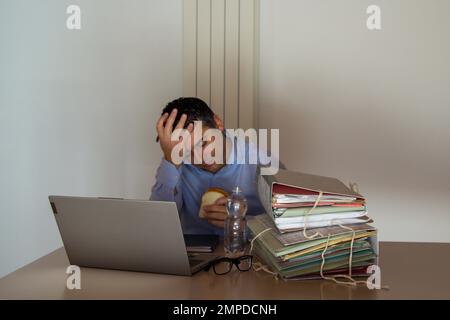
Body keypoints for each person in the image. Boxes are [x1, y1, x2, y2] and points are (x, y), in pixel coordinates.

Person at [150, 97, 265, 235]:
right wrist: (170, 161)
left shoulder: (262, 163)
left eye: (203, 143)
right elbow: (157, 227)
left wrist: (244, 225)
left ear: (217, 123)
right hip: (194, 254)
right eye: (188, 152)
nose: (201, 158)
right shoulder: (176, 163)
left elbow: (287, 230)